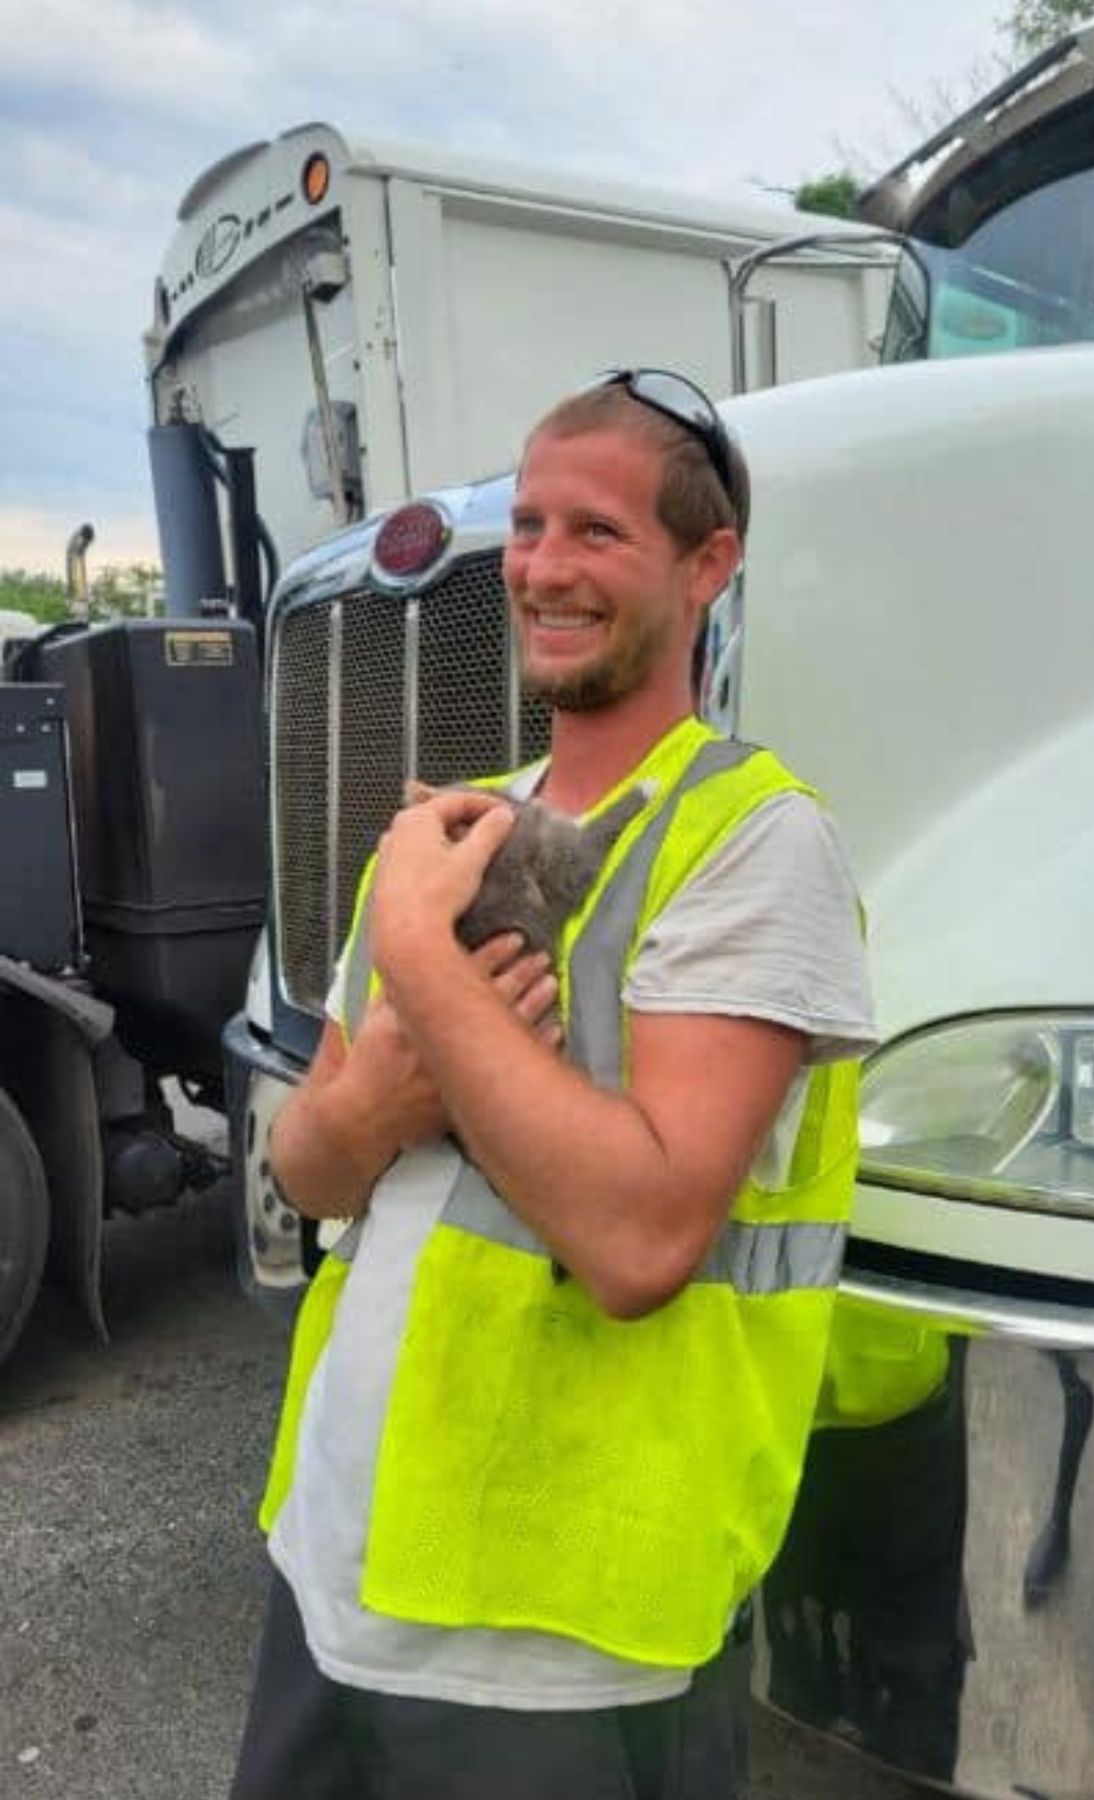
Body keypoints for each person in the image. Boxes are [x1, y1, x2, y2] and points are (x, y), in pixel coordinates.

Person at [229, 368, 876, 1800]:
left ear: (709, 565)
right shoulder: (459, 823)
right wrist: (381, 1097)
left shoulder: (754, 844)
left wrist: (421, 961)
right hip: (337, 1556)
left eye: (596, 531)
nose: (541, 567)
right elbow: (311, 1172)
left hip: (556, 1640)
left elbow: (643, 1240)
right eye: (528, 526)